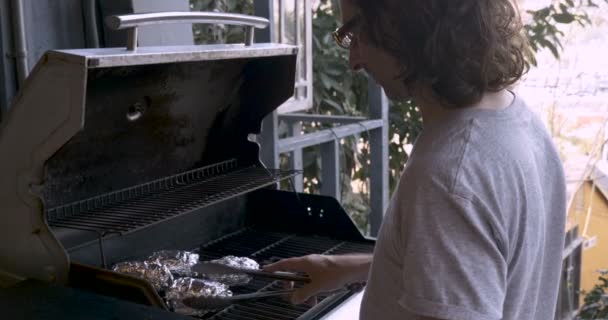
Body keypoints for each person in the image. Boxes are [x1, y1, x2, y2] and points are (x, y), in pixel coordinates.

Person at [264, 0, 568, 319]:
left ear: (401, 18)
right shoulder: (518, 121)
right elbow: (479, 266)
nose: (354, 60)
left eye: (355, 32)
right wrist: (354, 267)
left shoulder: (451, 175)